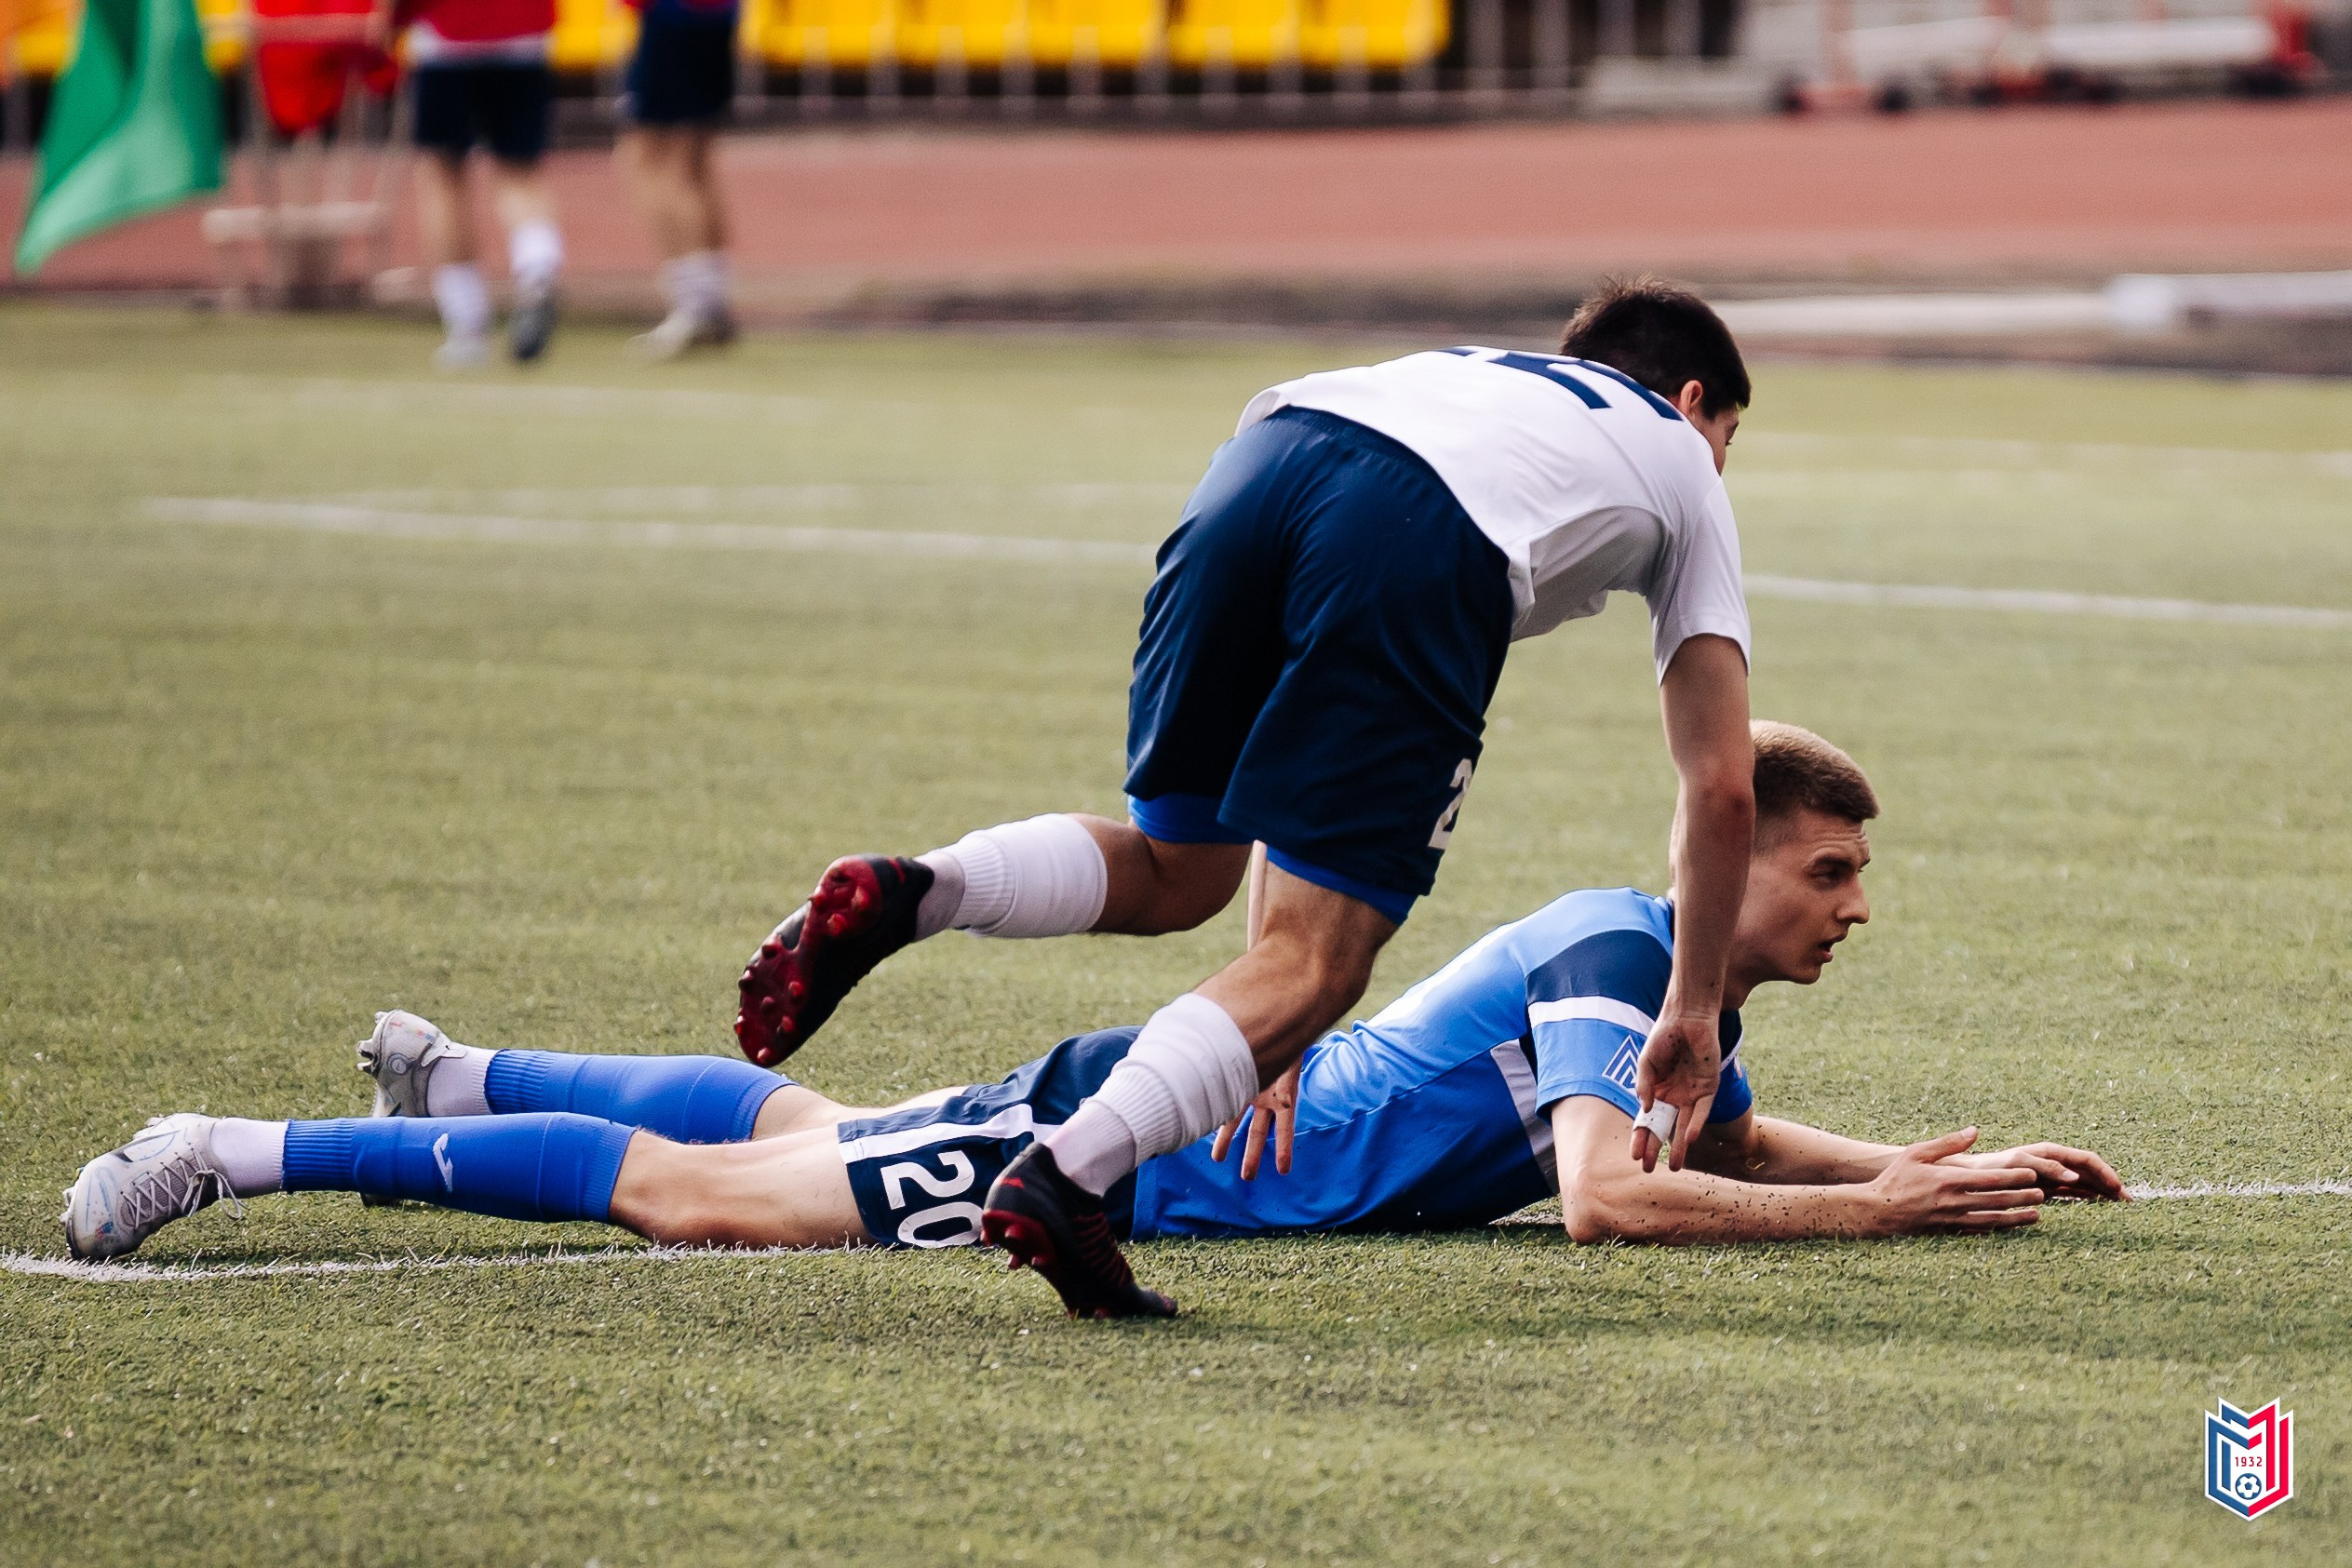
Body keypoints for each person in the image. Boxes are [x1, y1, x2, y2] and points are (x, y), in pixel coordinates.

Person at [62, 725, 2127, 1305]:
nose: (1855, 907)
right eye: (1829, 871)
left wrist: (1930, 1159)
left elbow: (1715, 1140)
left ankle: (463, 1071)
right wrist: (1879, 1224)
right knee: (714, 1199)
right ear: (1733, 848)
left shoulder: (1674, 996)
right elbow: (1606, 1196)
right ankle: (230, 1145)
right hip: (1141, 1150)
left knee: (804, 1137)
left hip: (1158, 1141)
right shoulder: (1612, 945)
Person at [732, 279, 1762, 1315]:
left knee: (1176, 870)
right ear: (1688, 402)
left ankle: (920, 887)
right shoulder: (1679, 462)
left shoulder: (1473, 374)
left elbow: (1299, 762)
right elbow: (1719, 784)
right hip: (1417, 529)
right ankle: (1067, 1176)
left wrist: (1263, 1027)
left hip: (1259, 463)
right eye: (1728, 436)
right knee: (1322, 962)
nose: (1721, 464)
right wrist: (1690, 1005)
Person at [377, 0, 566, 366]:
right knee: (521, 173)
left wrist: (393, 19)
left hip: (446, 36)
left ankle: (467, 324)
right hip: (523, 30)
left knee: (443, 178)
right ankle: (537, 269)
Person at [615, 0, 740, 357]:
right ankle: (710, 301)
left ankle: (694, 305)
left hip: (672, 15)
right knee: (693, 162)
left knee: (651, 160)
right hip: (716, 13)